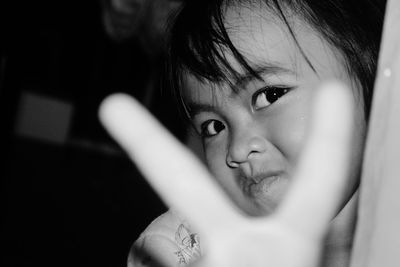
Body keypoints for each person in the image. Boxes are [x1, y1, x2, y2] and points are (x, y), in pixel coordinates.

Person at [99, 0, 385, 266]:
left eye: (269, 95)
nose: (236, 150)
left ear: (375, 78)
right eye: (214, 127)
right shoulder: (176, 248)